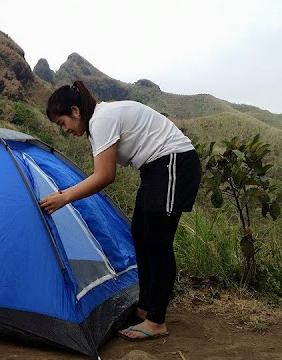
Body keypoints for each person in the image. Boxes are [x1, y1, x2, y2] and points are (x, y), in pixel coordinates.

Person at [39, 80, 201, 341]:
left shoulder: (102, 119)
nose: (64, 129)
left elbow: (104, 176)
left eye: (62, 122)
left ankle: (156, 321)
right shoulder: (98, 122)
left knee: (158, 243)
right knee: (141, 234)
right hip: (154, 169)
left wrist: (64, 197)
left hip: (174, 163)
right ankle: (146, 307)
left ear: (75, 111)